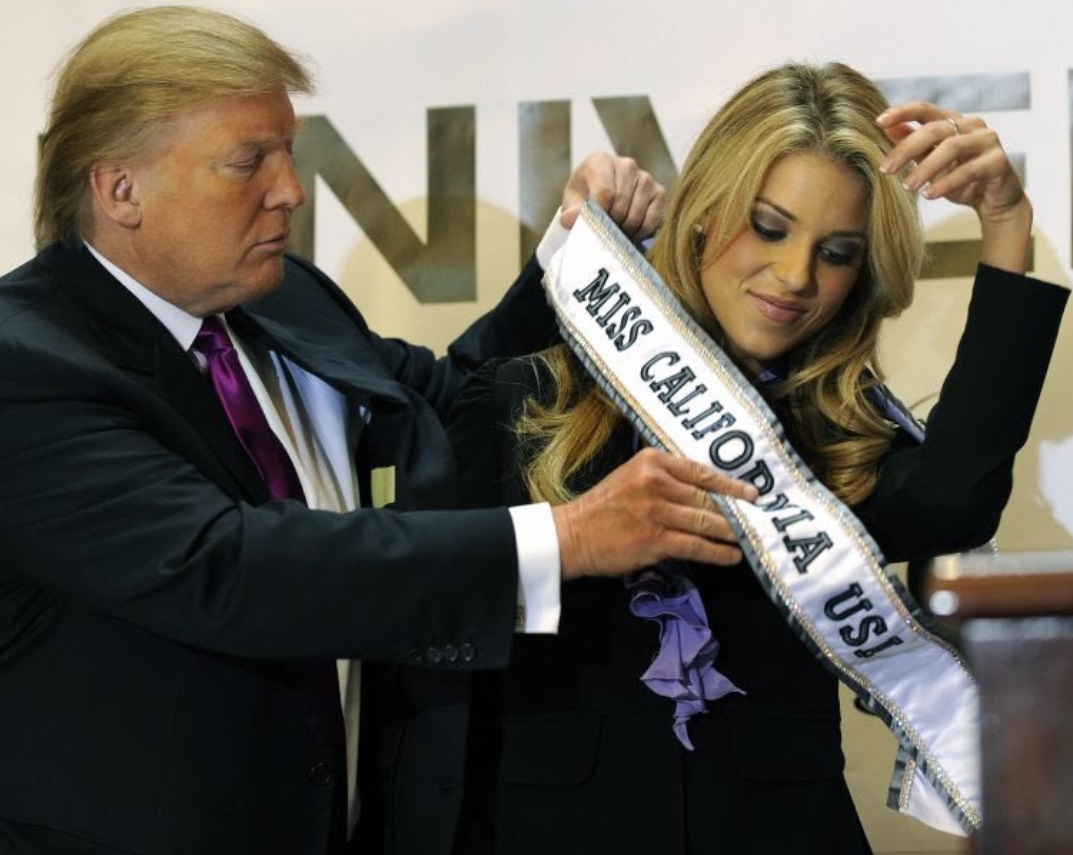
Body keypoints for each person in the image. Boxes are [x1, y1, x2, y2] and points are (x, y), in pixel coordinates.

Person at [0, 6, 762, 855]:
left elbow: (464, 407)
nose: (290, 188)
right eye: (247, 161)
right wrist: (566, 539)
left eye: (288, 152)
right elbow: (225, 564)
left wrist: (573, 260)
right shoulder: (24, 364)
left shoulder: (283, 296)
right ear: (119, 189)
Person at [373, 62, 1070, 854]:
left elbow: (954, 503)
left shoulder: (834, 434)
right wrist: (571, 253)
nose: (795, 276)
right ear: (705, 212)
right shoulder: (530, 397)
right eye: (769, 227)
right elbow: (424, 596)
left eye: (836, 252)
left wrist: (1006, 223)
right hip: (552, 827)